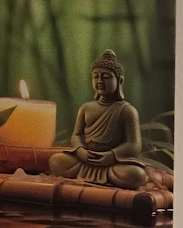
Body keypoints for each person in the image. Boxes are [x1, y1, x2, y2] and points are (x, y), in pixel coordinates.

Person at [49, 50, 148, 189]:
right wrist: (80, 151)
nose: (100, 81)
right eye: (96, 76)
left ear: (119, 81)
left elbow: (133, 144)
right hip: (84, 161)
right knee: (56, 161)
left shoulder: (127, 110)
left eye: (106, 77)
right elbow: (77, 135)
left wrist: (111, 155)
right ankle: (100, 176)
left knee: (136, 174)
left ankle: (103, 174)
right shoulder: (86, 108)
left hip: (112, 164)